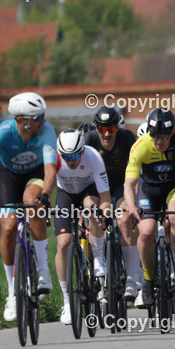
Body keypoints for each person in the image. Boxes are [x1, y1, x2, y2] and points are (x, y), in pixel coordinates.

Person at [0, 92, 57, 322]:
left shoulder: (46, 131)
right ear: (22, 120)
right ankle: (12, 292)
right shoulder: (3, 133)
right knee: (8, 227)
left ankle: (43, 271)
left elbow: (50, 171)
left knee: (31, 201)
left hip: (36, 174)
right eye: (38, 117)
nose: (43, 120)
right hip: (10, 176)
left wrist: (46, 194)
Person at [124, 108, 175, 310]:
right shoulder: (140, 146)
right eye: (155, 136)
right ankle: (147, 280)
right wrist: (131, 206)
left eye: (164, 136)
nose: (160, 141)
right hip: (149, 190)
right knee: (146, 231)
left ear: (172, 132)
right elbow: (130, 183)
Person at [53, 129, 111, 324]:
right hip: (65, 193)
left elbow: (105, 197)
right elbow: (45, 185)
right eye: (66, 157)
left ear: (82, 150)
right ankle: (67, 300)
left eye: (75, 156)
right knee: (63, 243)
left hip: (89, 191)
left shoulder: (93, 157)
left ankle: (99, 256)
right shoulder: (55, 158)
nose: (71, 161)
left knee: (90, 207)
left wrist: (103, 214)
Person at [84, 105, 140, 302]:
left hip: (120, 185)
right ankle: (99, 265)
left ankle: (132, 279)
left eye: (111, 129)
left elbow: (136, 171)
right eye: (102, 129)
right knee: (93, 214)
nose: (107, 134)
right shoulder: (89, 140)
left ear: (118, 127)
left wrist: (133, 200)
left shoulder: (127, 138)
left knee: (124, 219)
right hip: (96, 186)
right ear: (96, 128)